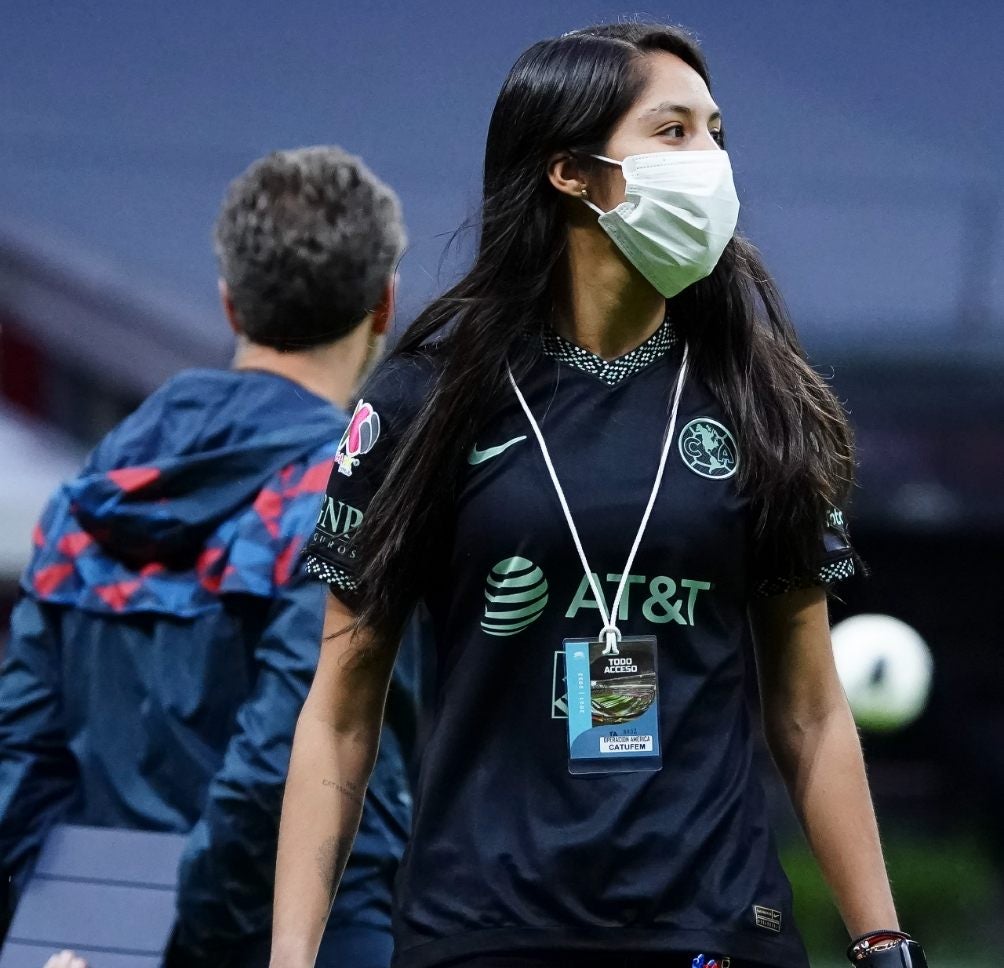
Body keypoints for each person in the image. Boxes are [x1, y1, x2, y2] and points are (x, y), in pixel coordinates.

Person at [270, 24, 928, 968]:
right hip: (481, 932)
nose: (709, 161)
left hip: (717, 926)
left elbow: (811, 706)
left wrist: (879, 940)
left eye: (716, 132)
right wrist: (293, 958)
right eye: (673, 131)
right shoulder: (425, 398)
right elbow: (339, 710)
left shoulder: (761, 398)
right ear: (571, 172)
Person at [0, 146, 418, 968]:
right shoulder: (352, 490)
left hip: (86, 947)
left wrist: (81, 926)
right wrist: (200, 927)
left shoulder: (92, 491)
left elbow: (19, 748)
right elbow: (289, 751)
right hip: (306, 940)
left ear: (230, 304)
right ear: (384, 305)